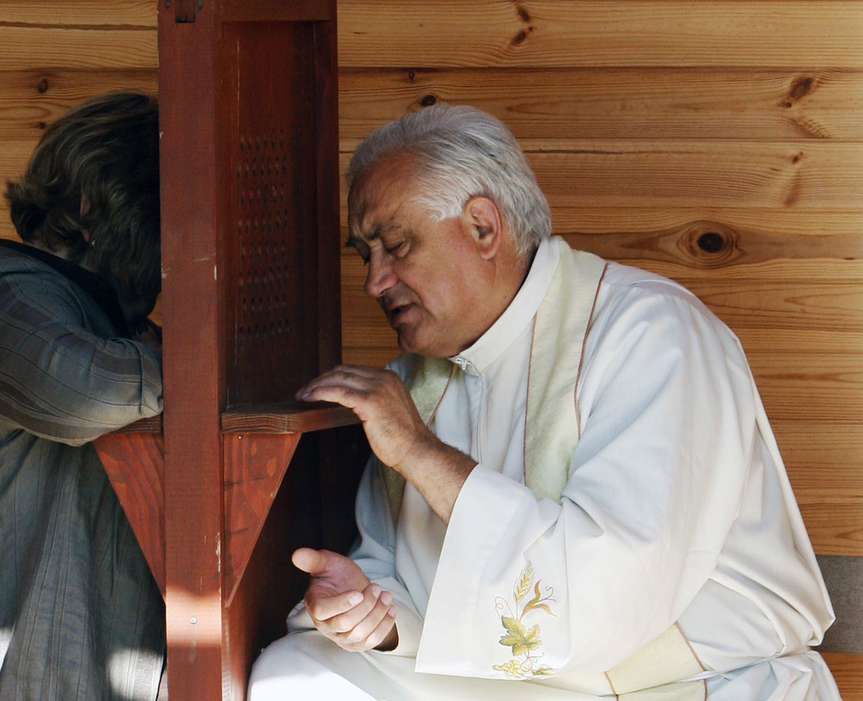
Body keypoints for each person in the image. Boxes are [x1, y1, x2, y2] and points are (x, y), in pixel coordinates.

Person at [248, 104, 839, 700]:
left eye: (395, 245)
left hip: (680, 681)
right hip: (509, 680)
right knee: (294, 674)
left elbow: (607, 594)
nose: (374, 280)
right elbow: (397, 571)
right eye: (365, 254)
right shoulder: (414, 383)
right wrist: (371, 613)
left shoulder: (652, 334)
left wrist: (420, 451)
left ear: (483, 227)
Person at [0, 92, 166, 701]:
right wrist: (199, 357)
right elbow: (88, 389)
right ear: (91, 208)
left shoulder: (102, 317)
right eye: (168, 225)